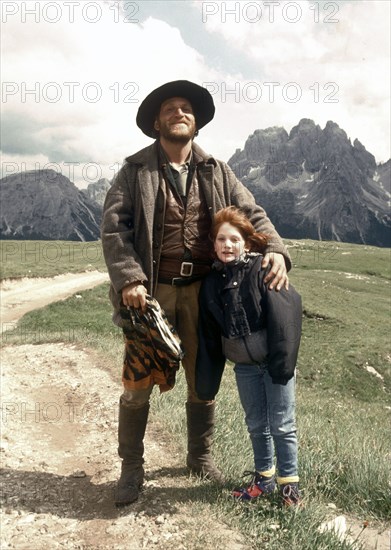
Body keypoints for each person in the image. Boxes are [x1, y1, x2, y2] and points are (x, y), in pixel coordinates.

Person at [101, 80, 292, 507]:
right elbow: (115, 228)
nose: (179, 113)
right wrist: (129, 277)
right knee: (138, 380)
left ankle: (199, 456)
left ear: (196, 122)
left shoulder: (218, 171)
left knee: (203, 373)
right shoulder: (135, 171)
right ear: (156, 123)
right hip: (148, 296)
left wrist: (276, 249)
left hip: (206, 291)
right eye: (170, 108)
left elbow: (252, 213)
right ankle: (131, 469)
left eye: (186, 108)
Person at [195, 206, 302, 506]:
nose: (227, 245)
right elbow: (208, 334)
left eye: (233, 239)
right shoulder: (211, 284)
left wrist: (283, 362)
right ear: (213, 244)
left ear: (246, 242)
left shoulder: (262, 268)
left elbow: (288, 312)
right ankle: (263, 480)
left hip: (274, 363)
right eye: (220, 240)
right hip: (244, 368)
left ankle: (290, 486)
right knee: (256, 424)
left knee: (282, 424)